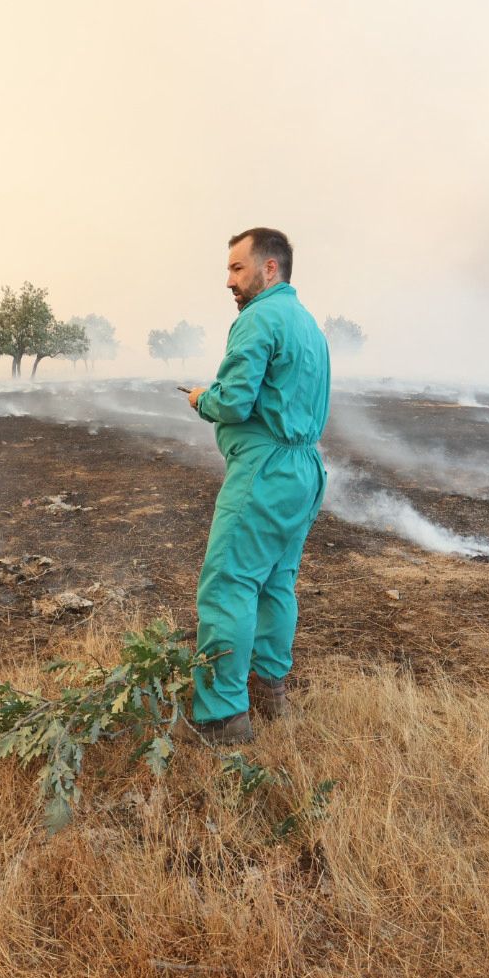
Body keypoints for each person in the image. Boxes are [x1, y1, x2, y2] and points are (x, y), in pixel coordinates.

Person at [183, 227, 331, 745]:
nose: (229, 281)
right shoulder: (308, 325)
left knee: (228, 585)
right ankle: (271, 690)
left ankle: (223, 718)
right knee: (276, 583)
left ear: (270, 269)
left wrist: (203, 397)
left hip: (265, 472)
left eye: (237, 269)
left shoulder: (258, 318)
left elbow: (235, 401)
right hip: (306, 470)